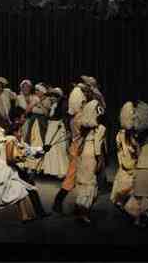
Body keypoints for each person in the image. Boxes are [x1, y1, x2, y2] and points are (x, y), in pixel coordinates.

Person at [0, 107, 49, 223]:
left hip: (10, 169)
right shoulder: (11, 138)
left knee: (19, 189)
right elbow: (11, 158)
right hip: (4, 169)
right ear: (17, 122)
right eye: (23, 117)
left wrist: (41, 149)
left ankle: (25, 216)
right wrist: (23, 158)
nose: (24, 119)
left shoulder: (14, 135)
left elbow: (24, 149)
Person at [52, 82, 90, 214]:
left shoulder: (75, 118)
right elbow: (83, 135)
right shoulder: (80, 118)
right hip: (79, 151)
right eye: (84, 101)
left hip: (77, 150)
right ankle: (61, 203)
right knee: (73, 178)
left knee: (75, 178)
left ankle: (76, 206)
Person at [70, 94, 106, 224]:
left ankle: (80, 208)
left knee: (83, 182)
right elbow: (98, 146)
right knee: (91, 183)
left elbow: (80, 145)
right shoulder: (100, 129)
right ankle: (84, 212)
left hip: (83, 155)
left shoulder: (84, 128)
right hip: (91, 156)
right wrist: (100, 160)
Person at [111, 101, 138, 213]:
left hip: (123, 160)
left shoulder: (119, 133)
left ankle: (120, 200)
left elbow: (119, 149)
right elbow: (133, 149)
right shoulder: (132, 135)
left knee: (123, 176)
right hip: (130, 161)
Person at [40, 87, 70, 179]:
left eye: (54, 96)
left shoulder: (62, 105)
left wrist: (67, 129)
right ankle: (53, 170)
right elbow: (49, 116)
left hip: (58, 127)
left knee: (59, 148)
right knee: (50, 148)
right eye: (51, 96)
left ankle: (62, 171)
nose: (52, 98)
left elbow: (64, 117)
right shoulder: (53, 106)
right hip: (51, 127)